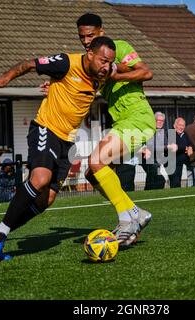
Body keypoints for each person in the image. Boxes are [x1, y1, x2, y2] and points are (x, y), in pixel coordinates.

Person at [0, 36, 117, 259]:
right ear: (89, 54)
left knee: (46, 199)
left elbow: (125, 69)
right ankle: (0, 233)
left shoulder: (104, 72)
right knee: (40, 179)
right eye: (103, 61)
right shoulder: (65, 62)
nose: (106, 67)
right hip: (46, 128)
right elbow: (31, 64)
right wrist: (6, 78)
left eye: (109, 62)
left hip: (67, 141)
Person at [75, 13, 157, 245]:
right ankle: (134, 214)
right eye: (82, 36)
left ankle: (126, 219)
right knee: (92, 174)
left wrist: (117, 74)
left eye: (90, 35)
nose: (85, 40)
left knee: (96, 161)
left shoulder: (118, 47)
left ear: (101, 32)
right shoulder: (92, 61)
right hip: (121, 122)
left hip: (138, 118)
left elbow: (146, 72)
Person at [141, 112, 176, 190]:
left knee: (152, 180)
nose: (160, 122)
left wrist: (172, 146)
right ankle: (149, 193)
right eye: (158, 120)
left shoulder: (162, 132)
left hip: (158, 160)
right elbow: (151, 147)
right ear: (154, 120)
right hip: (149, 160)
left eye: (162, 121)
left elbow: (166, 144)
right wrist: (168, 147)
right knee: (159, 179)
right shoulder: (149, 131)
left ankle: (148, 193)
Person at [168, 117, 190, 188]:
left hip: (180, 162)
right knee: (175, 182)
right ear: (175, 126)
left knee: (178, 181)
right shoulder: (170, 133)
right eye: (180, 125)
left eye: (183, 125)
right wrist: (185, 148)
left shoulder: (185, 134)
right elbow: (176, 147)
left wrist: (189, 147)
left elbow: (189, 143)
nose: (181, 127)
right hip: (172, 163)